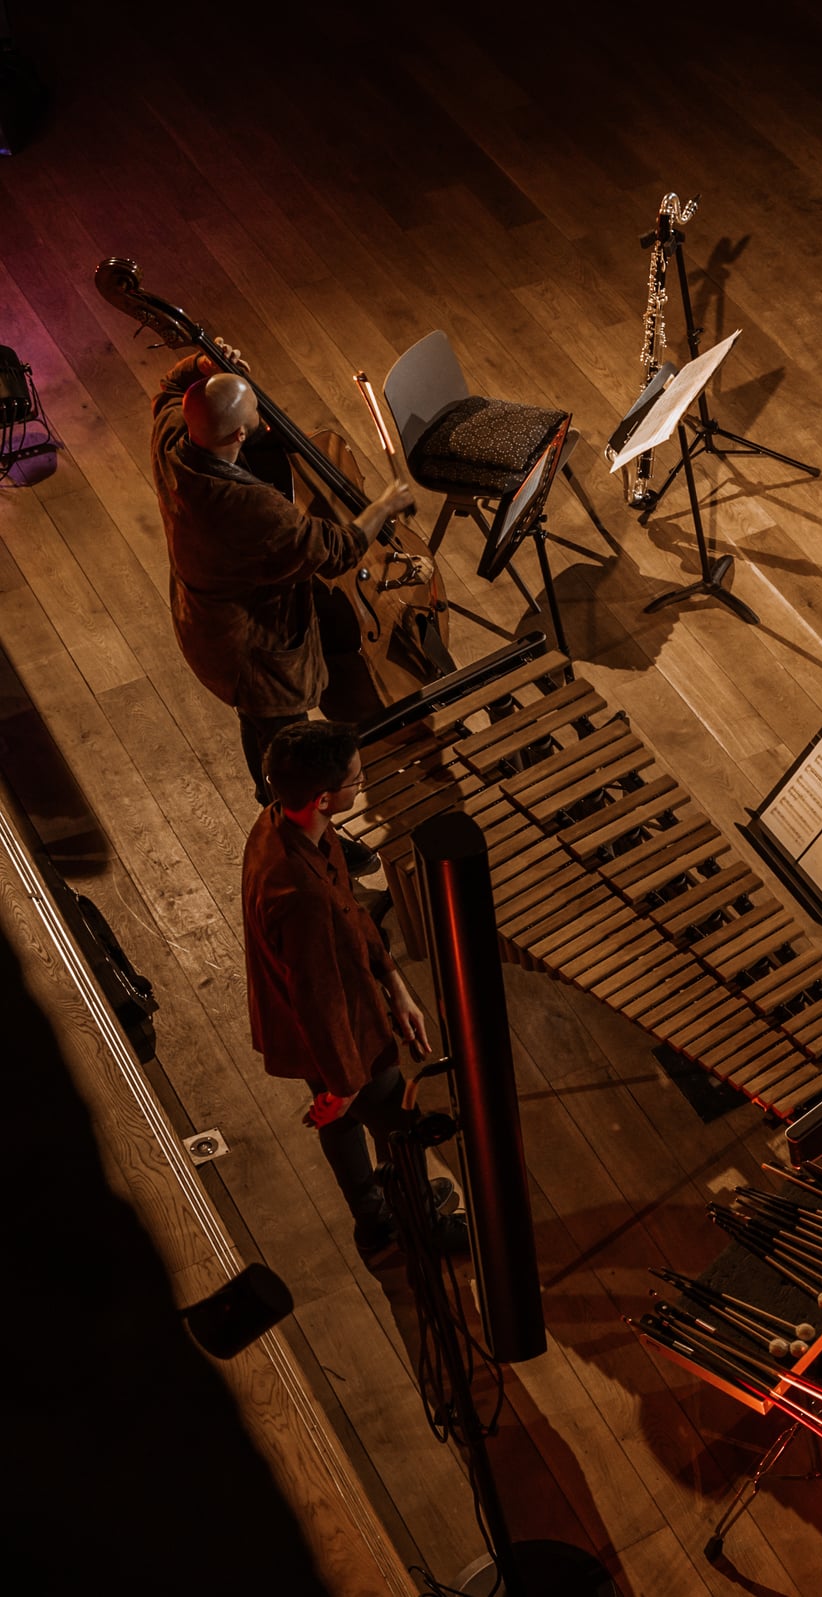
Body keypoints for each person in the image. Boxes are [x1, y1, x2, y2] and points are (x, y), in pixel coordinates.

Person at [149, 347, 414, 820]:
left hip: (203, 620)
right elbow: (335, 551)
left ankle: (273, 801)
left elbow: (171, 388)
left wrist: (204, 364)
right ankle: (296, 824)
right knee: (287, 745)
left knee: (256, 725)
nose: (267, 420)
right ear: (238, 434)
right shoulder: (249, 508)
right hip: (251, 650)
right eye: (257, 414)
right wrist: (385, 505)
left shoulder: (172, 439)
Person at [241, 722, 458, 1256]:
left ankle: (375, 1220)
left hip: (317, 1025)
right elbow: (320, 1001)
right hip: (340, 1034)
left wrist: (395, 983)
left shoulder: (285, 822)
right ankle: (420, 1226)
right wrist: (346, 1083)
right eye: (356, 780)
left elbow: (351, 908)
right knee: (396, 1128)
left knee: (339, 1121)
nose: (361, 786)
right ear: (325, 798)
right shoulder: (299, 894)